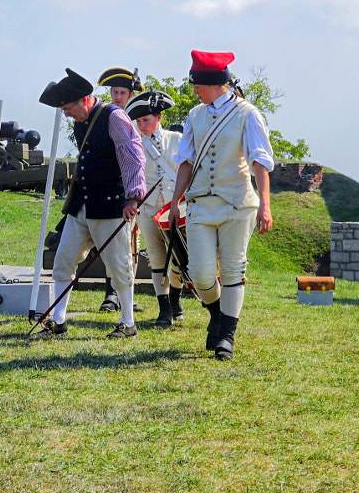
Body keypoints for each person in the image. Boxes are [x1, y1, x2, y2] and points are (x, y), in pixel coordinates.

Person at [166, 50, 274, 359]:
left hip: (237, 203)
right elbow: (185, 161)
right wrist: (175, 202)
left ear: (214, 83)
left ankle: (227, 335)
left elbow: (260, 163)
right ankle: (216, 313)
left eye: (197, 85)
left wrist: (265, 205)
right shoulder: (195, 115)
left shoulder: (248, 113)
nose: (194, 91)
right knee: (199, 274)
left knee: (232, 269)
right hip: (200, 203)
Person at [35, 68, 146, 337]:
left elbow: (132, 156)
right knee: (63, 261)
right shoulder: (80, 121)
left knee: (119, 266)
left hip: (109, 205)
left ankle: (128, 322)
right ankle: (59, 321)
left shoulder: (114, 117)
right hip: (81, 205)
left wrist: (133, 197)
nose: (66, 113)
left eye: (68, 108)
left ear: (84, 100)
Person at [126, 88, 185, 328]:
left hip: (175, 207)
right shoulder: (135, 144)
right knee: (157, 258)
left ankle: (175, 300)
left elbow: (186, 171)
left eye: (146, 120)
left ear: (159, 118)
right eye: (139, 121)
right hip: (149, 208)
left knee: (179, 259)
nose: (142, 125)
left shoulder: (177, 140)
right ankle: (164, 308)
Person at [92, 68, 142, 311]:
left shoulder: (136, 121)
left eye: (122, 92)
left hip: (134, 193)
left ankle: (126, 300)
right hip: (113, 193)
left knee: (130, 248)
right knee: (110, 246)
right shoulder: (106, 117)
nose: (118, 96)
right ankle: (110, 295)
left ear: (131, 95)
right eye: (114, 92)